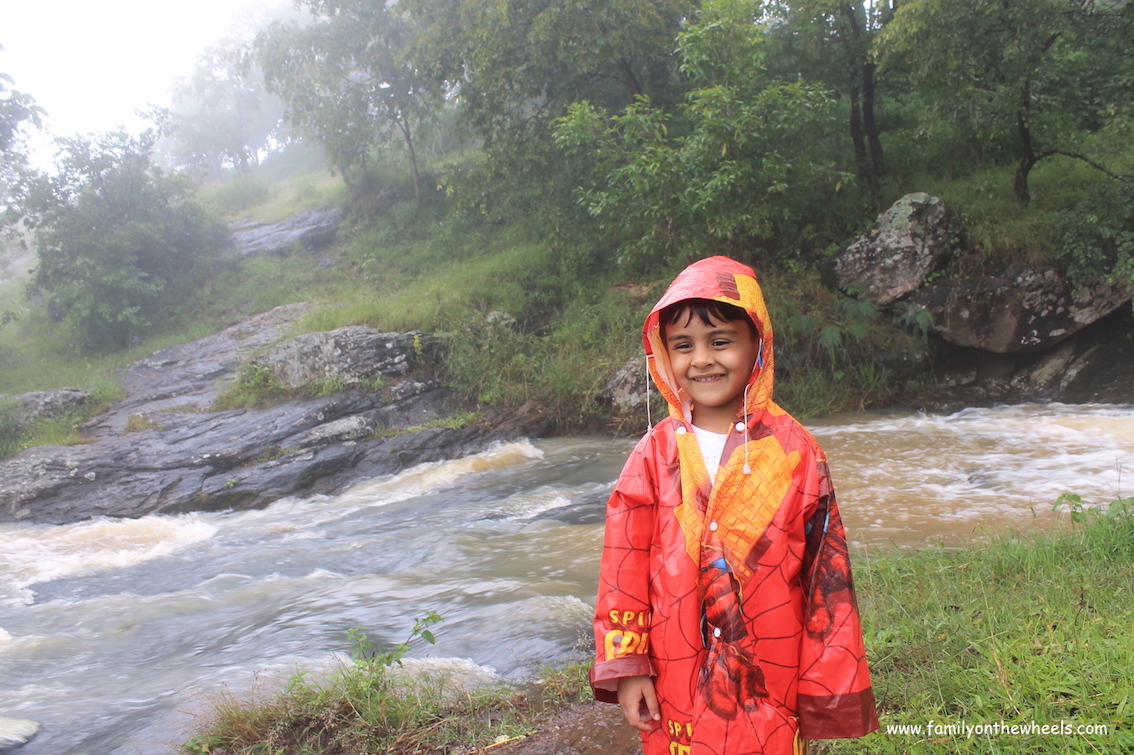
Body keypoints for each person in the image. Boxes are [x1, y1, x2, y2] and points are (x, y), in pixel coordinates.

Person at [591, 256, 879, 755]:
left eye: (720, 340)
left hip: (773, 668)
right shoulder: (654, 454)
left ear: (757, 344)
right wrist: (629, 667)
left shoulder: (796, 452)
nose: (701, 359)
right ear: (663, 355)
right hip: (673, 667)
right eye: (683, 345)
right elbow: (624, 568)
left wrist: (825, 689)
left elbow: (825, 582)